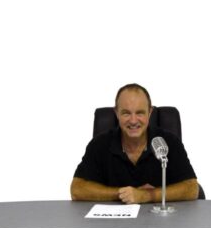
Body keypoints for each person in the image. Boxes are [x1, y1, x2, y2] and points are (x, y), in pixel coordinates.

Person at [70, 84, 199, 204]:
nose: (133, 120)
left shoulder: (169, 142)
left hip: (159, 218)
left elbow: (192, 188)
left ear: (150, 112)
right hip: (112, 220)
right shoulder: (99, 144)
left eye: (140, 113)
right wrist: (125, 194)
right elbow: (77, 189)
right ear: (116, 113)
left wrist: (146, 195)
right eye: (126, 113)